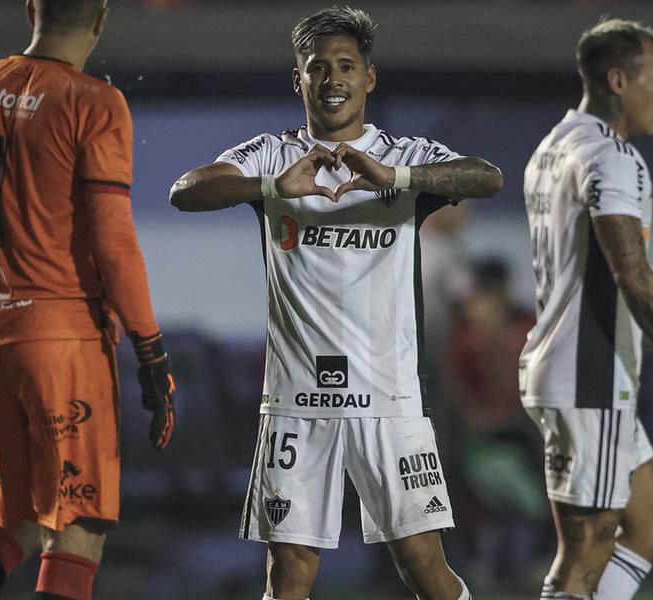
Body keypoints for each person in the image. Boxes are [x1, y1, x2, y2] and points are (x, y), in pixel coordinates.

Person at [168, 7, 503, 600]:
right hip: (297, 402)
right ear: (298, 80)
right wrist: (273, 189)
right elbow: (186, 190)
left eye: (346, 66)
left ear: (369, 78)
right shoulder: (273, 156)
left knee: (424, 566)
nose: (332, 79)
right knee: (290, 572)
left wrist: (397, 179)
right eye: (317, 67)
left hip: (388, 399)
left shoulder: (401, 156)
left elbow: (486, 176)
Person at [0, 1, 176, 598]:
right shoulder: (96, 102)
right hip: (63, 341)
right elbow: (112, 240)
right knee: (78, 529)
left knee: (13, 523)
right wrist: (150, 349)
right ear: (101, 17)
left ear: (31, 8)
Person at [517, 18, 653, 600]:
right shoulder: (610, 157)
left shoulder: (553, 146)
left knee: (650, 523)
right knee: (585, 551)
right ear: (618, 81)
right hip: (588, 374)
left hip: (571, 369)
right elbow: (630, 270)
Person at [443, 258, 546, 589]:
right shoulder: (463, 334)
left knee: (549, 477)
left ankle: (539, 560)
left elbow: (535, 383)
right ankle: (483, 564)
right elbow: (457, 394)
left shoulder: (526, 324)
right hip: (482, 438)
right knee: (488, 482)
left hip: (526, 429)